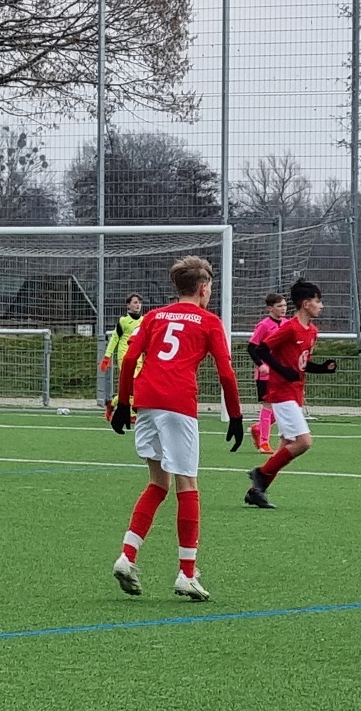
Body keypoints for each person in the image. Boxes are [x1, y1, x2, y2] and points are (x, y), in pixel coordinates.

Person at [109, 256, 244, 601]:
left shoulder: (154, 316)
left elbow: (129, 358)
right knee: (187, 484)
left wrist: (123, 404)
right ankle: (186, 573)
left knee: (158, 483)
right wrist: (236, 415)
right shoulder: (209, 321)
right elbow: (226, 372)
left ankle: (127, 556)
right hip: (178, 405)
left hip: (146, 402)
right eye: (210, 287)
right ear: (203, 288)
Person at [245, 278, 336, 509]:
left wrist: (322, 368)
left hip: (296, 393)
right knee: (304, 442)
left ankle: (256, 492)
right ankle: (260, 473)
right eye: (318, 301)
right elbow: (261, 349)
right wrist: (282, 370)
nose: (321, 306)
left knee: (286, 445)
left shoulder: (312, 331)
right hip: (281, 392)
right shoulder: (289, 328)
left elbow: (301, 365)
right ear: (306, 304)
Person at [246, 293, 288, 454]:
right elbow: (252, 347)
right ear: (270, 308)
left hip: (282, 372)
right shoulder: (263, 326)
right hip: (266, 373)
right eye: (279, 306)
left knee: (285, 405)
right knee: (268, 405)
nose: (283, 309)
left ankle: (258, 428)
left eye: (284, 305)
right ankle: (264, 442)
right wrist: (260, 364)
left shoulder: (287, 324)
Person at [100, 293, 143, 422]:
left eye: (139, 303)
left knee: (137, 385)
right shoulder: (123, 321)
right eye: (135, 302)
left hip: (139, 357)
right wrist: (107, 356)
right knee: (132, 384)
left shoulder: (144, 320)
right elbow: (115, 338)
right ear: (128, 305)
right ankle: (132, 414)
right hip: (125, 356)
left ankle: (112, 403)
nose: (138, 305)